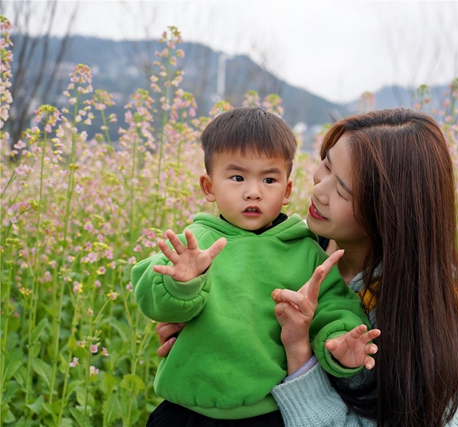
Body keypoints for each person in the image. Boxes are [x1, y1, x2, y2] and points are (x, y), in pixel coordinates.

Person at [156, 108, 458, 427]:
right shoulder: (298, 247)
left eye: (343, 190)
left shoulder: (426, 318)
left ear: (388, 214)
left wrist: (299, 353)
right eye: (326, 165)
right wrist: (208, 330)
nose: (319, 190)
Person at [133, 107, 378, 426]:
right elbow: (153, 300)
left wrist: (340, 341)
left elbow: (334, 308)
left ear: (287, 190)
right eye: (237, 178)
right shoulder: (194, 244)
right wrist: (182, 284)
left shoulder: (306, 252)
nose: (253, 192)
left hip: (267, 414)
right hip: (183, 413)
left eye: (269, 179)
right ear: (208, 187)